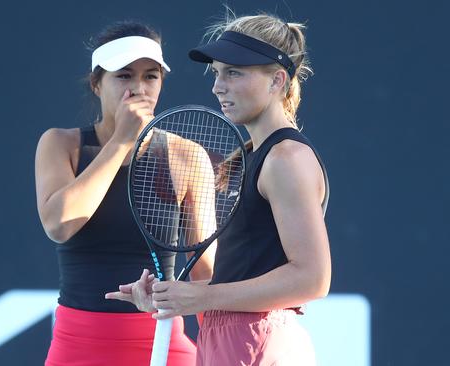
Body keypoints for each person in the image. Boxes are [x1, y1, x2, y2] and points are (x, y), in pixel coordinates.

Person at [107, 12, 331, 365]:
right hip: (231, 338)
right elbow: (243, 277)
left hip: (257, 342)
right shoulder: (254, 156)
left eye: (234, 72)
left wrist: (203, 299)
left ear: (277, 81)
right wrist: (176, 295)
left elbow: (312, 278)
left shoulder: (286, 158)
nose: (217, 85)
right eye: (217, 72)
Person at [35, 20, 213, 365]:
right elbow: (59, 224)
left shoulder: (187, 156)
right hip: (77, 347)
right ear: (96, 84)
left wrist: (224, 345)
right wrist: (121, 141)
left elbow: (204, 272)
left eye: (151, 76)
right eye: (124, 75)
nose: (138, 87)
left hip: (163, 346)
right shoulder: (61, 144)